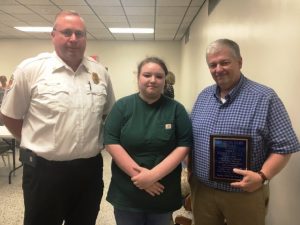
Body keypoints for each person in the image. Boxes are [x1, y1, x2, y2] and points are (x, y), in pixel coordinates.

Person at [0, 10, 115, 225]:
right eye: (66, 32)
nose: (73, 39)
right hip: (44, 172)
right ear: (53, 35)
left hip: (89, 171)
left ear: (85, 38)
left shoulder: (100, 73)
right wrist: (34, 142)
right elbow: (10, 115)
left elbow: (107, 113)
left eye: (79, 33)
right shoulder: (30, 70)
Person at [190, 38, 300, 225]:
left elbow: (285, 147)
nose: (218, 69)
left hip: (244, 194)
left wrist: (262, 176)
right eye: (213, 64)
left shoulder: (265, 97)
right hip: (203, 192)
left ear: (239, 62)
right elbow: (193, 139)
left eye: (224, 62)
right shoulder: (203, 97)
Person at [104, 57, 192, 225]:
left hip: (162, 191)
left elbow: (184, 145)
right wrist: (142, 178)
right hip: (128, 191)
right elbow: (111, 142)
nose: (153, 80)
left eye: (159, 76)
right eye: (147, 75)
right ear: (138, 77)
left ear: (165, 79)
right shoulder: (122, 106)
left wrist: (152, 176)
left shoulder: (176, 109)